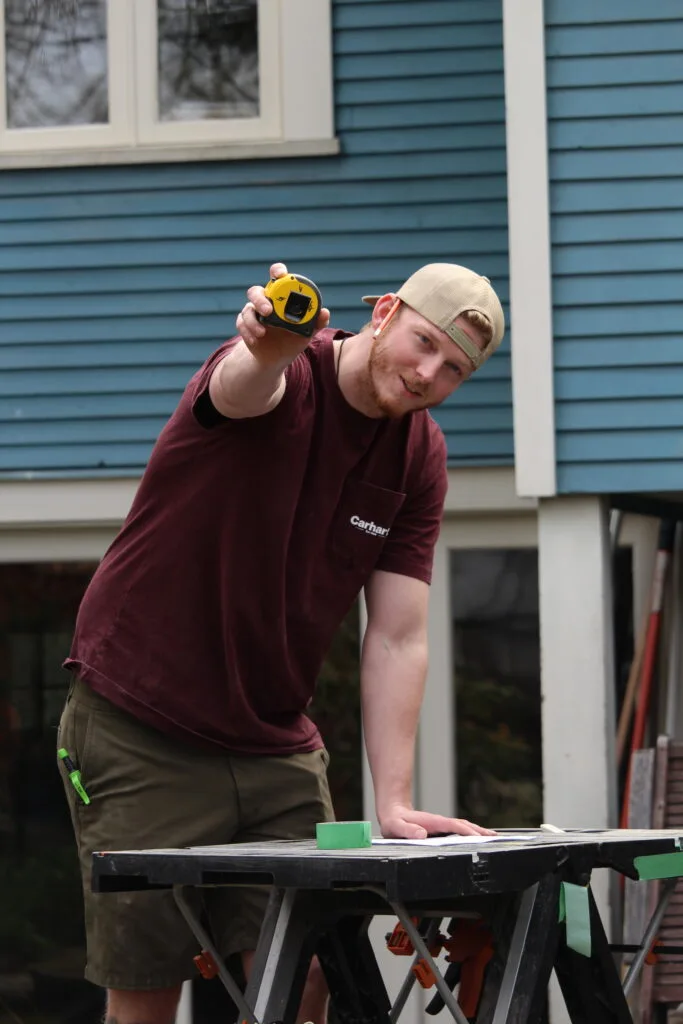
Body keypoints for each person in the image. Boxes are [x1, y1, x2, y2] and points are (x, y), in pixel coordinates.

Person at [57, 260, 505, 1024]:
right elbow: (241, 387)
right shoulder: (287, 376)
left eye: (454, 369)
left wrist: (392, 802)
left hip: (273, 745)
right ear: (386, 312)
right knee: (148, 988)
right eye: (423, 343)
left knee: (305, 977)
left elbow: (396, 635)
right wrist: (264, 348)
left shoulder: (419, 456)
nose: (429, 373)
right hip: (139, 722)